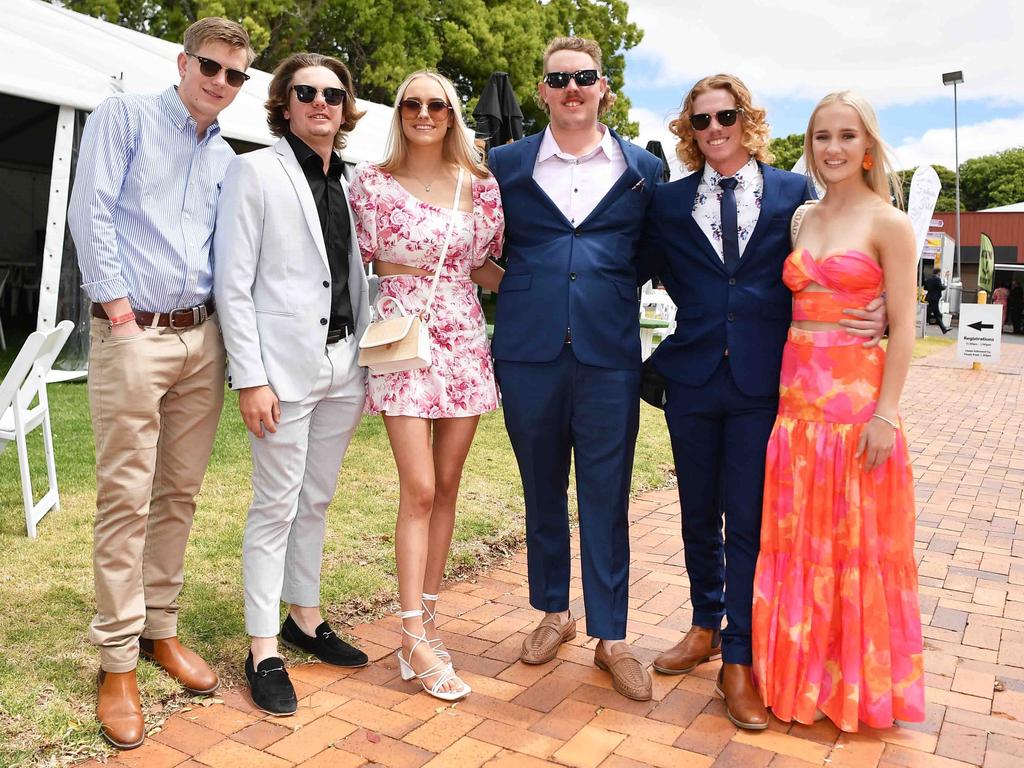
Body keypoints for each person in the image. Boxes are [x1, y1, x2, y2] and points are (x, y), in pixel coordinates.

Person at [640, 74, 885, 730]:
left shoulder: (794, 194)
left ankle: (738, 660)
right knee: (697, 514)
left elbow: (845, 250)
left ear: (745, 119)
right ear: (688, 132)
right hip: (692, 380)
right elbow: (622, 269)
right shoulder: (667, 203)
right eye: (701, 121)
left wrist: (883, 304)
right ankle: (703, 625)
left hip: (766, 383)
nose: (714, 129)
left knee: (747, 520)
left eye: (726, 116)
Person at [67, 17, 254, 750]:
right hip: (134, 331)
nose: (221, 82)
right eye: (211, 66)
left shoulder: (226, 158)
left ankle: (160, 630)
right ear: (183, 62)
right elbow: (92, 211)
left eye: (236, 75)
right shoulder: (125, 115)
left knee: (179, 491)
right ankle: (116, 660)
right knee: (126, 495)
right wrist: (116, 310)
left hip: (200, 338)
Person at [488, 37, 663, 702]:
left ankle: (612, 637)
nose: (572, 89)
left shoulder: (643, 166)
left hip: (608, 355)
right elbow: (484, 238)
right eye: (559, 79)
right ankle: (553, 612)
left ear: (603, 88)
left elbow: (648, 252)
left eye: (584, 78)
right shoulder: (505, 163)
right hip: (529, 352)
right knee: (541, 491)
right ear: (543, 91)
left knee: (606, 496)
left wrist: (596, 287)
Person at [751, 91, 925, 732]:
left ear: (869, 146)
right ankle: (800, 678)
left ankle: (852, 689)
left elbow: (904, 328)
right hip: (795, 412)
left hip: (857, 415)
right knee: (799, 547)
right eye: (822, 136)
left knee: (855, 549)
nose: (832, 148)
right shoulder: (802, 220)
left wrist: (888, 414)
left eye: (847, 136)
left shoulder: (891, 224)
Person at [214, 52, 372, 716]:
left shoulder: (359, 181)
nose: (320, 103)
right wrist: (250, 379)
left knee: (317, 500)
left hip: (345, 365)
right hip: (279, 371)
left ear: (345, 107)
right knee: (274, 506)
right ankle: (262, 648)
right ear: (283, 103)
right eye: (305, 92)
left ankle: (303, 619)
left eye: (333, 94)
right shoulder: (254, 170)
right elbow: (234, 284)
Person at [348, 70, 505, 701]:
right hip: (403, 337)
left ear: (451, 113)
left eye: (435, 104)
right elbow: (359, 262)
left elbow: (487, 268)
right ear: (399, 112)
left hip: (465, 336)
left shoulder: (483, 186)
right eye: (411, 103)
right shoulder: (372, 184)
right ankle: (410, 632)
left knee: (445, 486)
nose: (423, 113)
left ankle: (428, 619)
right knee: (416, 487)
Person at [923, 268, 950, 333]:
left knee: (937, 315)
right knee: (929, 313)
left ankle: (944, 329)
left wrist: (931, 288)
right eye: (940, 273)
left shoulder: (929, 279)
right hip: (935, 298)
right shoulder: (937, 279)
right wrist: (945, 285)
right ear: (938, 273)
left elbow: (925, 288)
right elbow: (941, 287)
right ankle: (921, 325)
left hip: (930, 297)